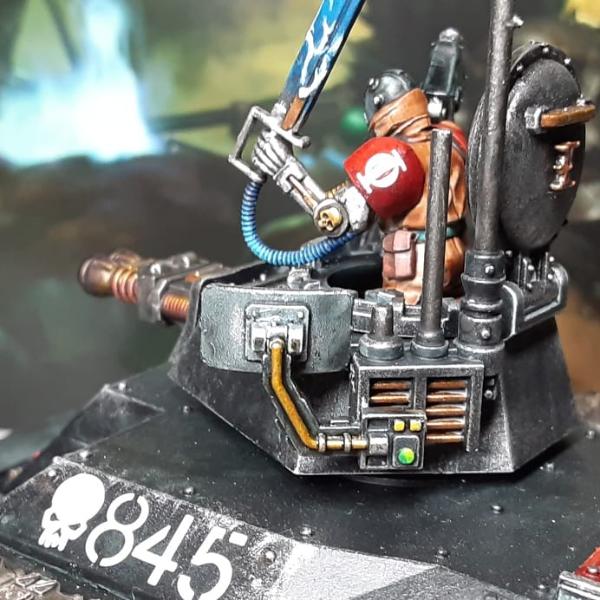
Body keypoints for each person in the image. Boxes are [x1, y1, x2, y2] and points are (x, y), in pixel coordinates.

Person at [252, 69, 468, 304]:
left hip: (418, 271)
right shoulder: (453, 137)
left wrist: (284, 168)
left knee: (403, 321)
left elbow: (340, 219)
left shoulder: (393, 156)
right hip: (458, 256)